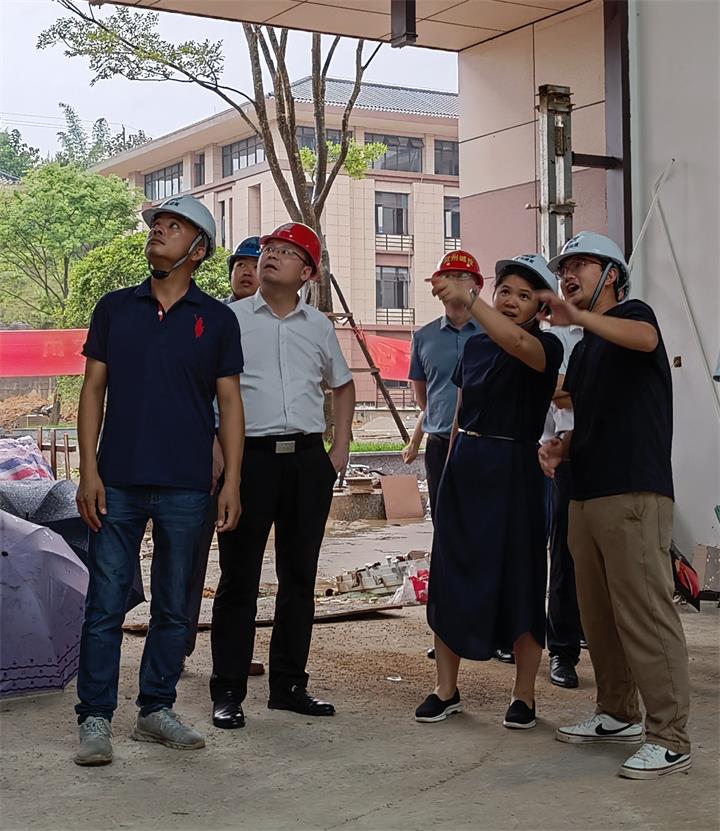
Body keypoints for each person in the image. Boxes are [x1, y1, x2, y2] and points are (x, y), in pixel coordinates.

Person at [73, 195, 245, 766]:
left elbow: (230, 404)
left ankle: (155, 709)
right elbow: (93, 390)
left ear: (198, 250)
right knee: (105, 605)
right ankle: (95, 717)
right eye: (156, 225)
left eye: (173, 227)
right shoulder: (115, 308)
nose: (158, 232)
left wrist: (232, 481)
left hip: (189, 486)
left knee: (175, 606)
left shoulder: (217, 319)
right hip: (117, 481)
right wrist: (88, 471)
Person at [538, 231, 692, 779]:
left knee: (645, 612)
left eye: (580, 264)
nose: (567, 275)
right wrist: (563, 445)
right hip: (584, 492)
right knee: (598, 615)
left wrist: (579, 318)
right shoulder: (585, 350)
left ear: (612, 275)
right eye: (564, 268)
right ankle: (617, 712)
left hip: (633, 491)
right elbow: (587, 416)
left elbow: (645, 340)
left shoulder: (634, 314)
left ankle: (670, 736)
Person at [210, 222, 355, 729]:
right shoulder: (229, 320)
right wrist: (217, 452)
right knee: (238, 579)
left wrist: (339, 446)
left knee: (299, 577)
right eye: (269, 248)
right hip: (248, 461)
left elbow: (342, 384)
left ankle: (289, 686)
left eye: (286, 252)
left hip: (307, 462)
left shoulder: (318, 326)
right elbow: (208, 390)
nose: (270, 256)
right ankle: (228, 691)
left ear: (308, 273)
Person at [415, 253, 562, 730]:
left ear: (540, 308)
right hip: (467, 465)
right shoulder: (475, 347)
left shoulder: (546, 346)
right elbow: (460, 411)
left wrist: (470, 299)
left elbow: (517, 343)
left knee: (521, 576)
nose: (512, 301)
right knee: (451, 571)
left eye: (525, 295)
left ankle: (524, 695)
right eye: (506, 291)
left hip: (516, 467)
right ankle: (446, 689)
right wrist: (450, 467)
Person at [184, 236, 264, 677]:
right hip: (207, 447)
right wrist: (213, 441)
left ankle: (233, 653)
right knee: (188, 551)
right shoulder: (209, 319)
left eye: (255, 264)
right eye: (240, 265)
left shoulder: (276, 324)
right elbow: (201, 387)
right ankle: (175, 646)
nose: (247, 272)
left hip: (257, 450)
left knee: (241, 562)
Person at [403, 250, 483, 515]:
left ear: (477, 286)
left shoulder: (494, 334)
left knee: (481, 518)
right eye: (447, 277)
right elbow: (423, 397)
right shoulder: (424, 338)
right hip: (439, 443)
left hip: (483, 441)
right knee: (443, 516)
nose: (453, 283)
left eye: (461, 277)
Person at [540, 323, 585, 688]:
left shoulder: (624, 330)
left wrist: (573, 390)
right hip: (565, 454)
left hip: (615, 452)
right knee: (565, 554)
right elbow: (554, 393)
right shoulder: (559, 339)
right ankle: (563, 650)